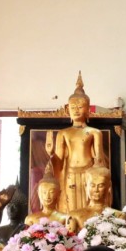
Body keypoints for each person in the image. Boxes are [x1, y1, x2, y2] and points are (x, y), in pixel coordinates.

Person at [45, 73, 108, 214]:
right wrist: (50, 154)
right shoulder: (63, 133)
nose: (76, 110)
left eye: (80, 107)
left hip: (89, 174)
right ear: (68, 110)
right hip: (70, 175)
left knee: (89, 208)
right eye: (73, 107)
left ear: (88, 109)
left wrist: (98, 175)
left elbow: (99, 159)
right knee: (71, 209)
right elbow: (59, 161)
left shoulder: (94, 132)